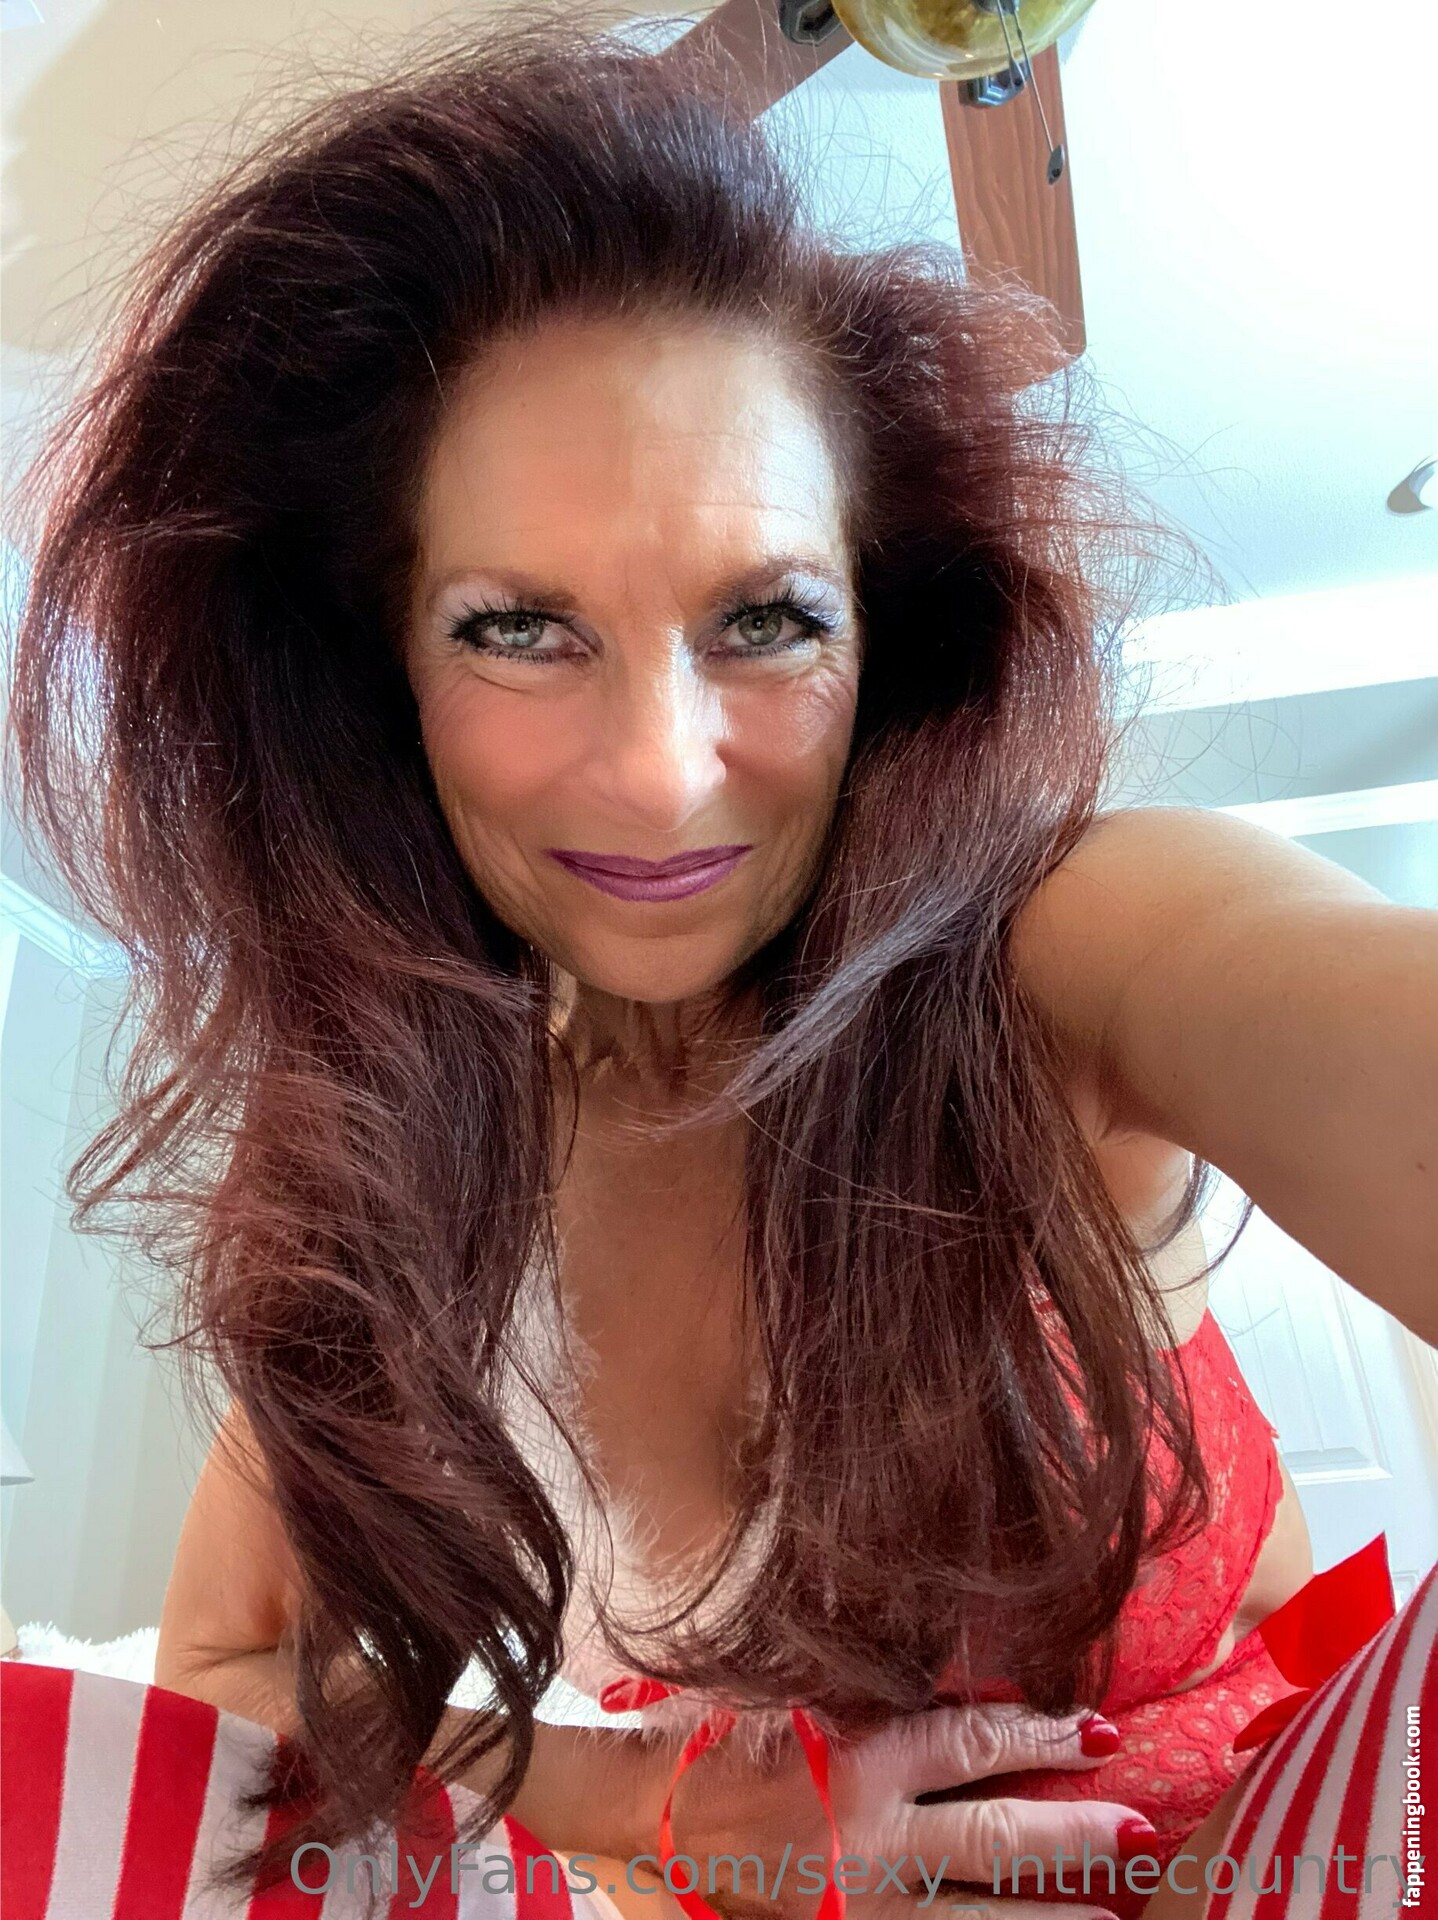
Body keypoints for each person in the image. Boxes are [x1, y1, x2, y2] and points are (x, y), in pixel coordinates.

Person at [7, 11, 1433, 1919]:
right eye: (517, 628)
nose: (661, 774)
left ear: (885, 645)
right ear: (381, 675)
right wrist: (646, 1798)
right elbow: (229, 1658)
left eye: (764, 618)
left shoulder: (1059, 960)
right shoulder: (390, 1171)